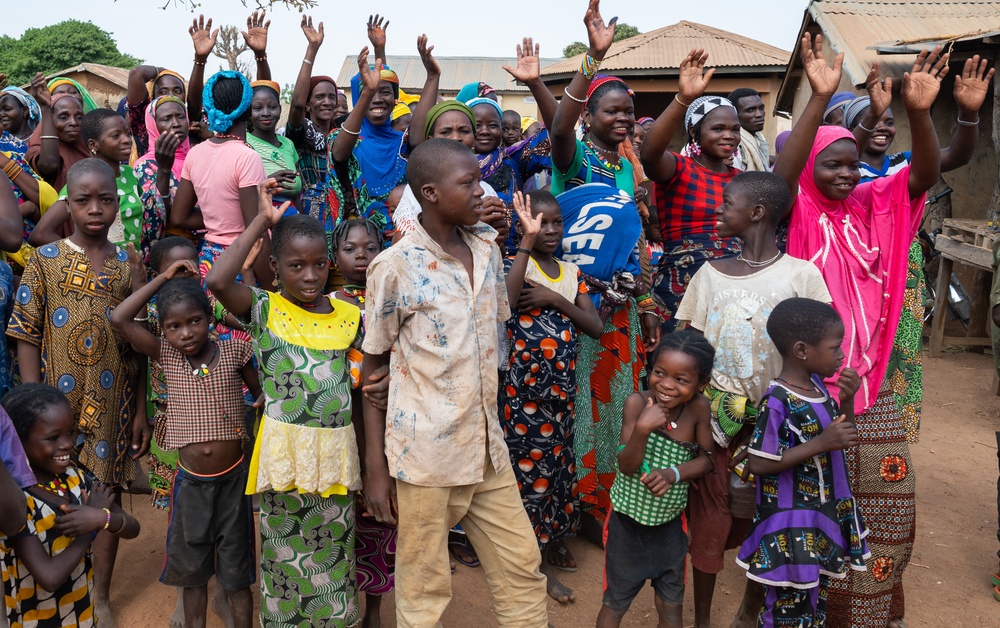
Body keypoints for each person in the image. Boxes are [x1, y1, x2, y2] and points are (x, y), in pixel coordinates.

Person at [771, 34, 948, 628]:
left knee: (890, 515)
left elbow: (922, 173)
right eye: (834, 164)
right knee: (815, 522)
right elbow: (785, 172)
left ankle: (870, 614)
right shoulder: (798, 209)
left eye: (854, 164)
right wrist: (817, 100)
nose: (848, 174)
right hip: (808, 395)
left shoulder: (874, 204)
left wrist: (919, 114)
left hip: (870, 393)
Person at [362, 139, 548, 627]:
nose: (479, 191)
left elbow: (495, 316)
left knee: (522, 568)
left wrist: (521, 242)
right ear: (430, 193)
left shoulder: (485, 246)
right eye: (467, 183)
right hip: (426, 456)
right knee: (424, 587)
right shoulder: (393, 267)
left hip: (486, 447)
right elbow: (373, 366)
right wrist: (376, 468)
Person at [675, 170, 832, 628]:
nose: (719, 211)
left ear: (757, 212)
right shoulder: (710, 274)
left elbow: (822, 349)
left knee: (768, 517)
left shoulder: (802, 275)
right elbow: (692, 346)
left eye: (727, 203)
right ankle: (702, 618)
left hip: (777, 430)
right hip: (716, 425)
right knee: (709, 521)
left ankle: (748, 609)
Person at [207, 181, 365, 626]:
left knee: (334, 559)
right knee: (284, 562)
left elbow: (365, 389)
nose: (310, 276)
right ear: (275, 267)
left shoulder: (350, 317)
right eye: (296, 265)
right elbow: (218, 281)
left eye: (318, 265)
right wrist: (262, 222)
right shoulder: (265, 308)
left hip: (335, 461)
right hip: (284, 462)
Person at [8, 158, 149, 627]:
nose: (95, 209)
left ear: (115, 204)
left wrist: (140, 411)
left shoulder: (130, 263)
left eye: (105, 200)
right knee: (46, 496)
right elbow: (25, 333)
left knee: (103, 500)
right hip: (50, 417)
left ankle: (100, 595)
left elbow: (140, 345)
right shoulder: (45, 261)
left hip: (111, 407)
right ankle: (43, 590)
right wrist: (32, 405)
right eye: (83, 200)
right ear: (67, 203)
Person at [547, 0, 660, 534]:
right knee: (574, 407)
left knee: (616, 401)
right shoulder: (572, 158)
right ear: (591, 116)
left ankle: (604, 505)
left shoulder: (628, 165)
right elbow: (560, 127)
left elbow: (635, 238)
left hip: (622, 303)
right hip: (575, 300)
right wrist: (590, 61)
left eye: (625, 111)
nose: (620, 118)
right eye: (609, 110)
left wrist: (646, 301)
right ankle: (571, 506)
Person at [842, 56, 993, 445]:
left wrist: (967, 115)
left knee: (902, 352)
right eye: (872, 119)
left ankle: (893, 440)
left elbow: (955, 156)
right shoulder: (835, 173)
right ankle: (843, 429)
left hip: (901, 271)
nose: (883, 127)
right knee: (852, 349)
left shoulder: (904, 167)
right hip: (851, 273)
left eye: (889, 121)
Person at [111, 260, 261, 628]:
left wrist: (261, 400)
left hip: (234, 483)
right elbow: (120, 319)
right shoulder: (167, 355)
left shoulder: (234, 353)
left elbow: (261, 397)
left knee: (237, 574)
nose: (186, 333)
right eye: (173, 326)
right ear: (163, 331)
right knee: (192, 573)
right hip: (191, 485)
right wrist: (163, 278)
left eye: (194, 321)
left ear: (210, 318)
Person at [737, 298, 869, 626]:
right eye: (835, 347)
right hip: (790, 523)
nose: (841, 355)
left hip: (821, 515)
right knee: (785, 610)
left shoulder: (818, 388)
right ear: (801, 350)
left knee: (811, 607)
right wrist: (821, 443)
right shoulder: (777, 401)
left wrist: (848, 402)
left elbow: (844, 435)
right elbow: (760, 462)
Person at [503, 190, 602, 603]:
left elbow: (594, 326)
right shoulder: (514, 265)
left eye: (556, 222)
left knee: (558, 470)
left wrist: (554, 299)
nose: (550, 229)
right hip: (524, 394)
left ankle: (554, 537)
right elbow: (505, 305)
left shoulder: (568, 272)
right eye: (540, 222)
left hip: (561, 392)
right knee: (532, 477)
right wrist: (525, 245)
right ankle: (533, 562)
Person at [597, 331, 715, 628]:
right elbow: (626, 466)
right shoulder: (637, 403)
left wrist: (673, 474)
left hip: (670, 528)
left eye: (681, 380)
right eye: (659, 373)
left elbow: (708, 459)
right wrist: (642, 430)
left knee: (671, 609)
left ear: (701, 384)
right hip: (626, 525)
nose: (666, 385)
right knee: (615, 603)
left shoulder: (699, 409)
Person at [0, 384, 140, 628]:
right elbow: (49, 577)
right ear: (19, 441)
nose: (67, 444)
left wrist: (103, 518)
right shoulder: (16, 502)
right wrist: (91, 531)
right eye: (53, 438)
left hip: (83, 616)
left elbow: (132, 528)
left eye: (70, 433)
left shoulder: (76, 479)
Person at [640, 50, 742, 334]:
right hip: (682, 288)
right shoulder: (678, 168)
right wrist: (682, 98)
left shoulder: (742, 180)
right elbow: (649, 154)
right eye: (718, 128)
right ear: (695, 133)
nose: (728, 135)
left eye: (735, 129)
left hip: (733, 290)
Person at [328, 217, 395, 628]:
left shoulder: (390, 296)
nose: (361, 255)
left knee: (379, 523)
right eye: (351, 248)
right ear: (336, 255)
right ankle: (340, 606)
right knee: (341, 525)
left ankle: (374, 611)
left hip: (385, 430)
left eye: (370, 247)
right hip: (342, 429)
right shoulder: (328, 303)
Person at [168, 70, 270, 290]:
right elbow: (256, 231)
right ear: (248, 109)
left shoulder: (196, 153)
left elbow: (179, 216)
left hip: (209, 262)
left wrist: (219, 218)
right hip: (242, 265)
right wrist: (274, 288)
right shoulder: (246, 157)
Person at [332, 29, 438, 236]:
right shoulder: (343, 138)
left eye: (386, 92)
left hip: (405, 239)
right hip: (358, 244)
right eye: (369, 91)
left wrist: (433, 76)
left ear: (395, 98)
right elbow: (338, 155)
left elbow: (418, 134)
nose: (378, 98)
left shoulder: (404, 143)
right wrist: (368, 91)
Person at [31, 109, 156, 258]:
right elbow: (40, 234)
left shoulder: (130, 174)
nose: (126, 140)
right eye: (116, 136)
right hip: (102, 270)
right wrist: (84, 257)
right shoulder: (83, 180)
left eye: (127, 134)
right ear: (93, 144)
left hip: (134, 266)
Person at [285, 15, 338, 224]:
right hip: (307, 217)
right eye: (319, 97)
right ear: (308, 104)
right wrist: (312, 49)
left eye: (331, 96)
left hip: (338, 215)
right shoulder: (300, 133)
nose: (327, 102)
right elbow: (296, 104)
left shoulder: (340, 134)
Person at [133, 96, 189, 254]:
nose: (176, 124)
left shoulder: (200, 156)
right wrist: (164, 169)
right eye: (167, 119)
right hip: (170, 251)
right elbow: (153, 221)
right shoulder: (145, 166)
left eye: (180, 117)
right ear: (153, 125)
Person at [247, 80, 301, 211]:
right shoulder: (244, 143)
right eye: (258, 108)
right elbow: (239, 191)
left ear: (280, 109)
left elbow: (297, 193)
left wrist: (303, 218)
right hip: (261, 215)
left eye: (272, 107)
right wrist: (268, 182)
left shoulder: (288, 144)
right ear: (248, 112)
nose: (266, 113)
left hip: (291, 214)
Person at [26, 86, 88, 191]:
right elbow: (49, 164)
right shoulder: (36, 150)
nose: (74, 123)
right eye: (63, 117)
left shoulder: (91, 147)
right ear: (49, 121)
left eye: (79, 117)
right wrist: (46, 108)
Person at [727, 87, 770, 172]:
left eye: (761, 108)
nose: (759, 114)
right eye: (750, 110)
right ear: (734, 114)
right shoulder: (733, 143)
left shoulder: (759, 138)